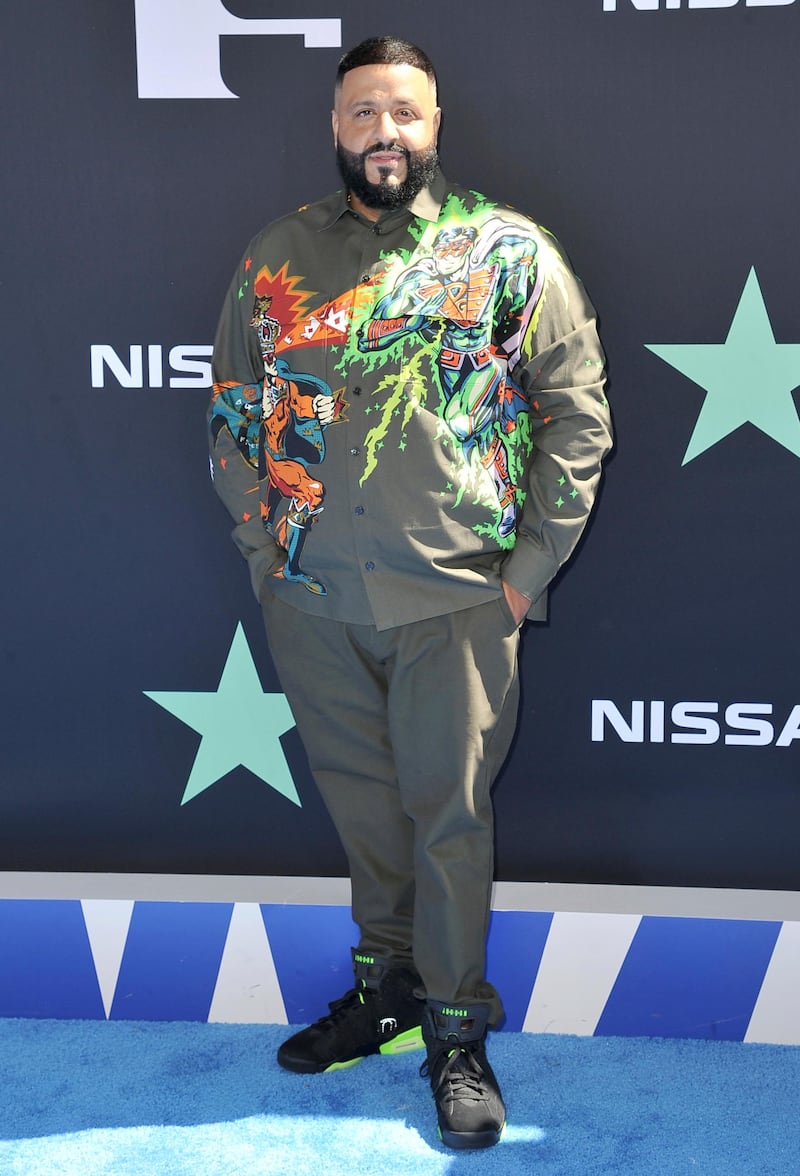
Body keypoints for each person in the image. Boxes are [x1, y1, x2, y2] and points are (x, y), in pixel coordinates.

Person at [208, 35, 612, 1151]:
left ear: (434, 124)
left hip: (457, 605)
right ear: (334, 128)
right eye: (360, 115)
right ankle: (386, 992)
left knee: (449, 825)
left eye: (404, 113)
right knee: (368, 820)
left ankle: (453, 1032)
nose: (384, 133)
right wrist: (265, 554)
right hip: (315, 603)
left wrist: (523, 577)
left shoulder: (507, 252)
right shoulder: (276, 256)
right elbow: (235, 416)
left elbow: (576, 415)